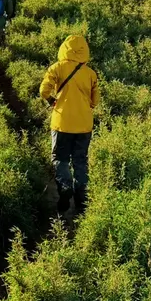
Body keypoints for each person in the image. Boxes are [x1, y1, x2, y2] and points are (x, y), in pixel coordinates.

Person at [39, 34, 99, 215]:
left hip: (62, 123)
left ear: (64, 48)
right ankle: (81, 201)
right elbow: (95, 101)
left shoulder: (57, 68)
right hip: (84, 125)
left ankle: (65, 187)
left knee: (60, 159)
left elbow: (43, 90)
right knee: (80, 161)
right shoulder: (90, 73)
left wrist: (52, 100)